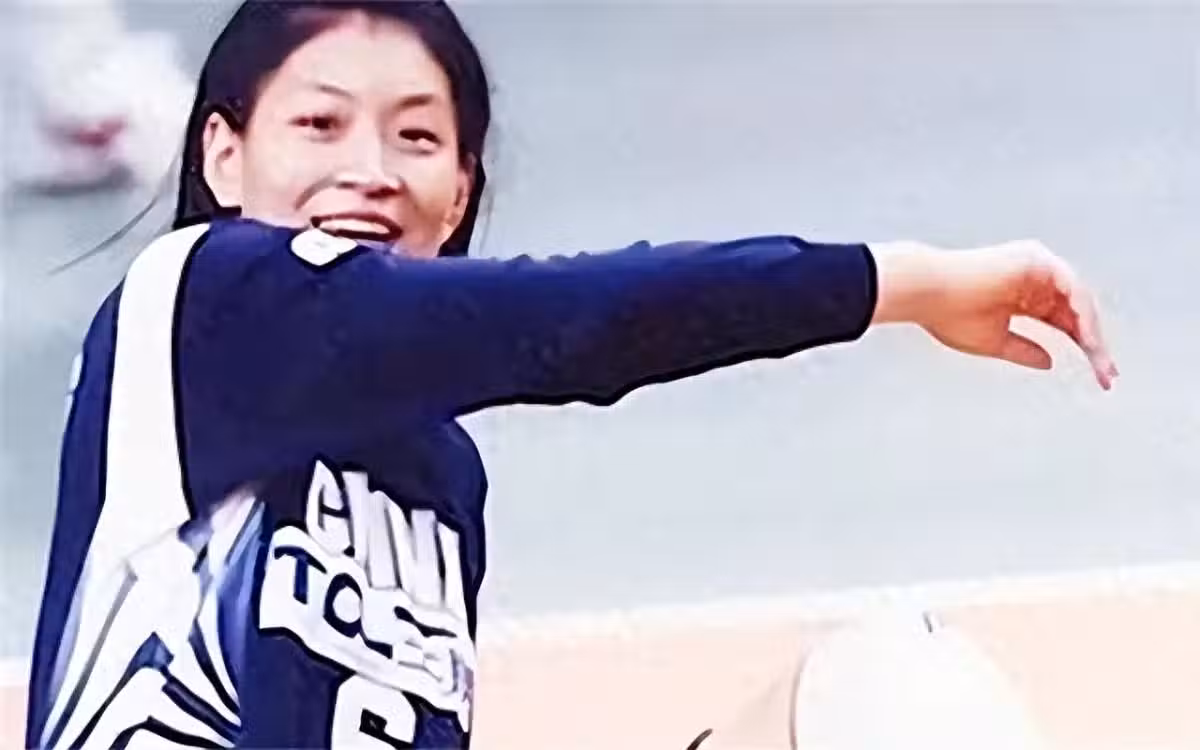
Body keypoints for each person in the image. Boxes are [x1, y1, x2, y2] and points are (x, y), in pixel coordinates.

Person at [24, 1, 1118, 748]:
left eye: (417, 138)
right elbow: (590, 323)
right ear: (223, 156)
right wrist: (908, 283)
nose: (368, 169)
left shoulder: (440, 471)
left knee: (895, 697)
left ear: (459, 193)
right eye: (318, 123)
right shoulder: (205, 306)